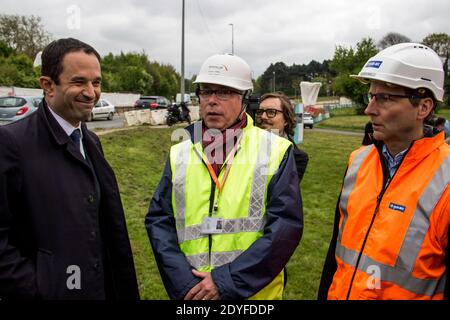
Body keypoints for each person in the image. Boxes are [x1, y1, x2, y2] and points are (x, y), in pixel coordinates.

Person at [145, 53, 303, 300]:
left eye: (224, 93)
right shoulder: (180, 152)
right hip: (193, 295)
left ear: (244, 99)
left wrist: (225, 282)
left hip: (251, 296)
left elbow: (284, 229)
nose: (212, 101)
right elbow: (159, 220)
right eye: (206, 92)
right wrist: (184, 284)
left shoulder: (275, 151)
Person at [0, 38, 139, 300]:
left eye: (96, 82)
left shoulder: (91, 141)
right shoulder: (11, 144)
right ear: (48, 85)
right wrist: (39, 289)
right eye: (78, 82)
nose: (91, 92)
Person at [318, 43, 450, 300]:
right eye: (371, 96)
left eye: (385, 98)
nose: (370, 109)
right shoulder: (358, 161)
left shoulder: (446, 179)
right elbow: (334, 256)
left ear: (423, 108)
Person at [255, 92, 309, 182]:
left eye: (271, 112)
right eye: (260, 112)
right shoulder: (243, 144)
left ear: (286, 120)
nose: (263, 117)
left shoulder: (297, 158)